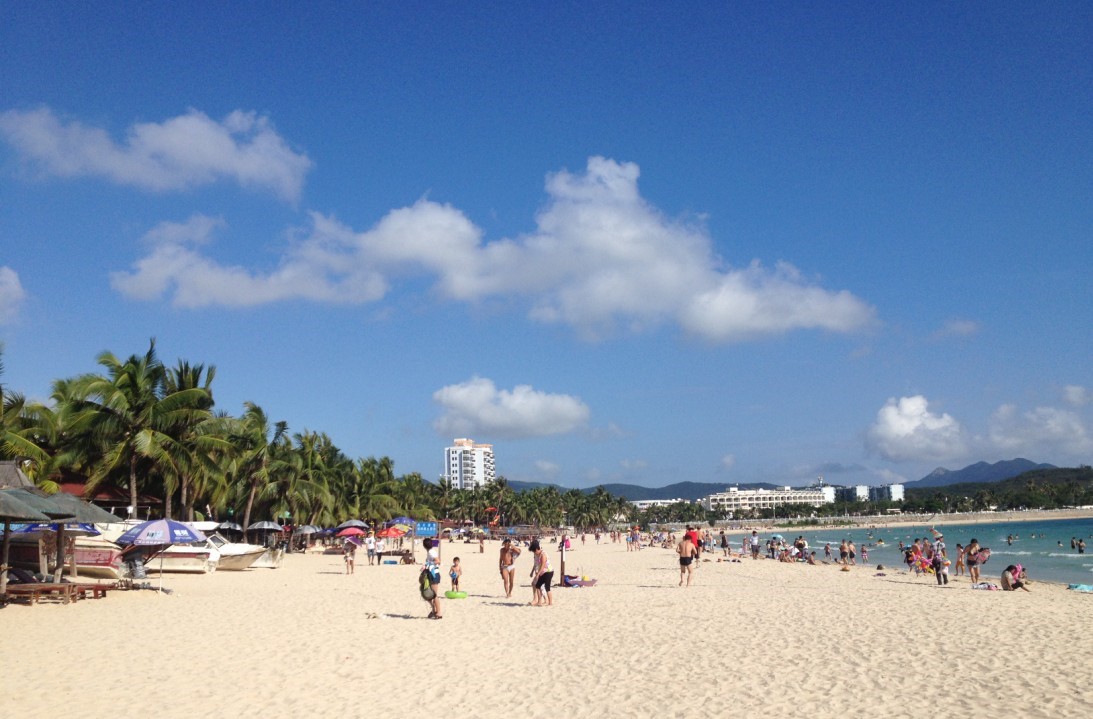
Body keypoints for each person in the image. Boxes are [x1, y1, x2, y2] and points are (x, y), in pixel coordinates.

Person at [529, 540, 553, 606]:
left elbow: (543, 565)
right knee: (537, 586)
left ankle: (550, 603)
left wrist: (538, 574)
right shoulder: (538, 554)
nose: (534, 553)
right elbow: (536, 564)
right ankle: (539, 601)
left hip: (548, 572)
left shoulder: (543, 554)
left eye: (534, 551)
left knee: (547, 587)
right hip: (543, 572)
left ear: (537, 549)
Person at [423, 538, 442, 619]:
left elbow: (438, 561)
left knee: (434, 595)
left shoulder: (431, 552)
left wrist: (429, 563)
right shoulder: (430, 551)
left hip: (434, 574)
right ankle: (434, 610)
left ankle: (439, 612)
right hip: (430, 574)